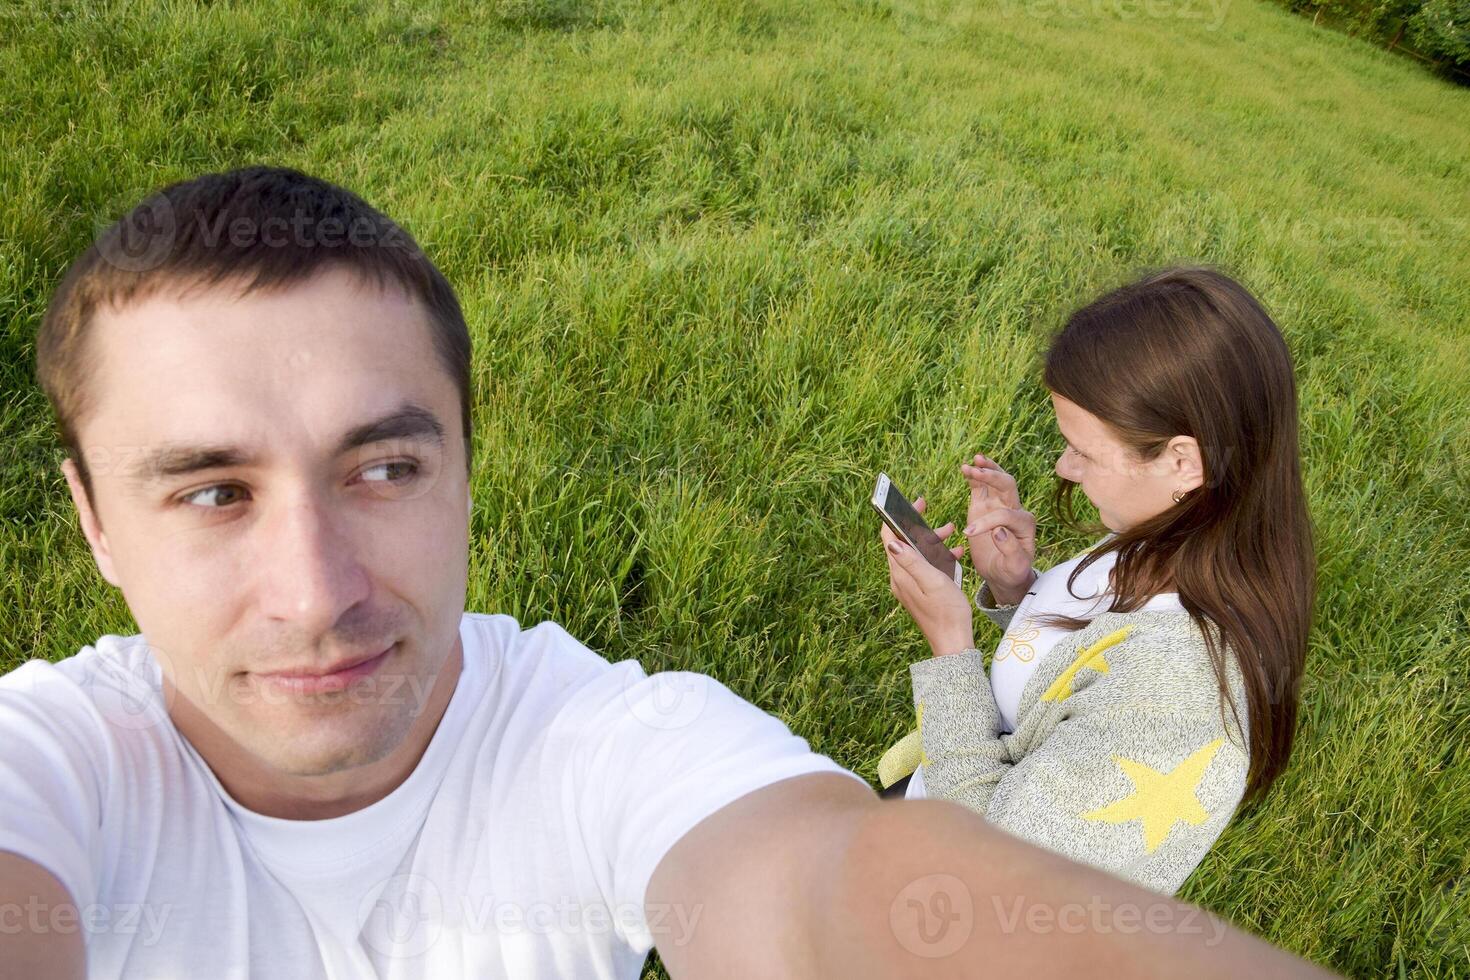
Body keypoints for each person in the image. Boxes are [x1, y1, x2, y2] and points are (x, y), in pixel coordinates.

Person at [0, 167, 1333, 978]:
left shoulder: (608, 743)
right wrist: (1002, 588)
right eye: (213, 490)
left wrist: (944, 655)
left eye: (383, 469)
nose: (314, 590)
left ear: (466, 466)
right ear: (93, 521)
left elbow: (886, 903)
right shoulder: (46, 771)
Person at [876, 266, 1315, 896]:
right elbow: (1078, 672)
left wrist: (952, 647)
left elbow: (994, 874)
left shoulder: (1177, 711)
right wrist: (1016, 590)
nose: (1063, 466)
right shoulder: (1173, 533)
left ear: (1182, 460)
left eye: (1082, 449)